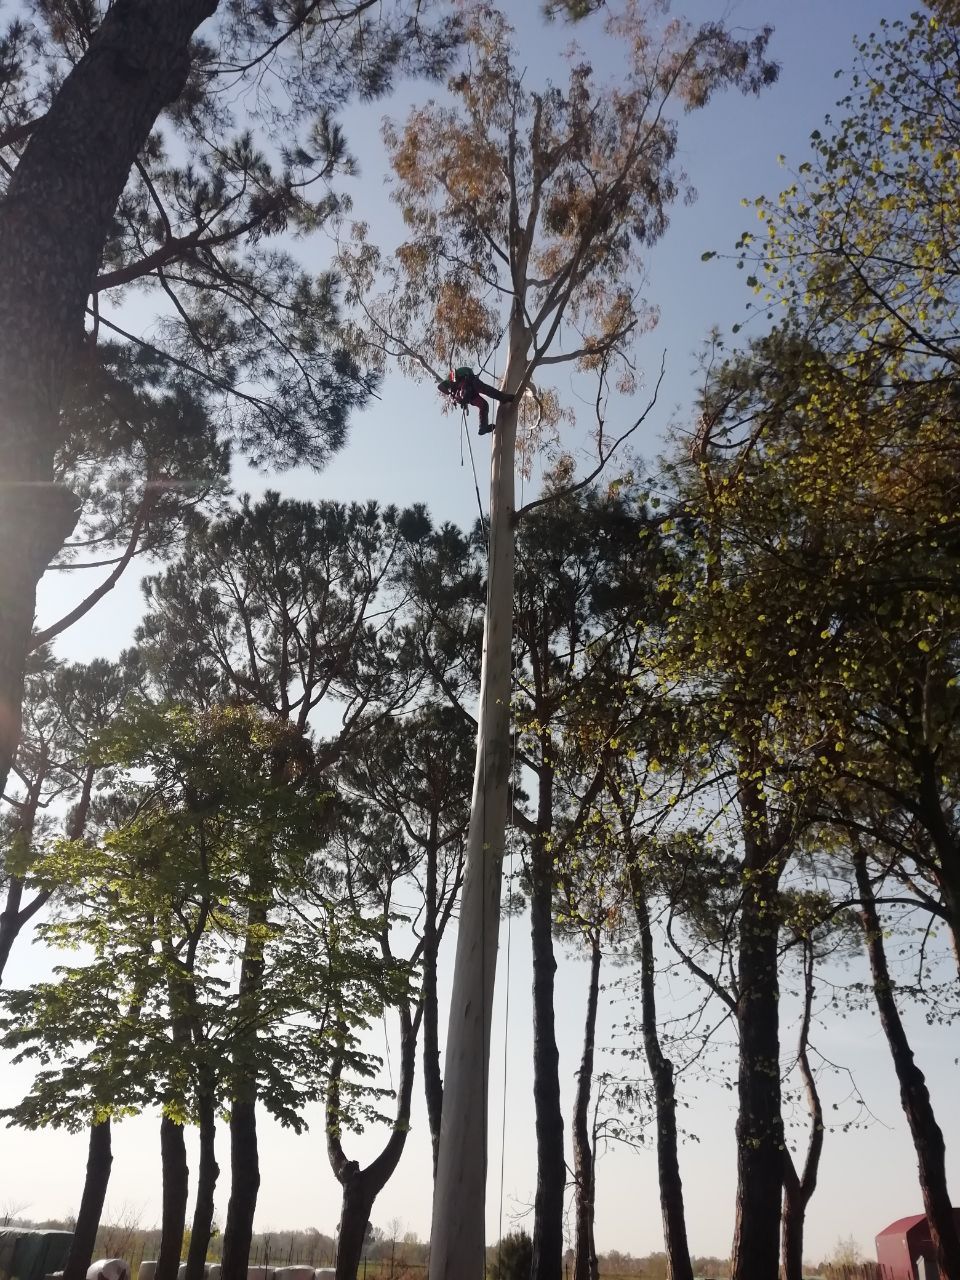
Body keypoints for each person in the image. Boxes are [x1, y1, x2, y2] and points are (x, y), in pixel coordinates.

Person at [437, 366, 514, 435]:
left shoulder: (455, 388)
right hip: (470, 387)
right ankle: (503, 397)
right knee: (485, 390)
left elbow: (446, 388)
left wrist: (455, 396)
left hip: (468, 394)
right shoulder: (450, 379)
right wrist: (451, 394)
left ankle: (483, 427)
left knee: (483, 405)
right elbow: (440, 386)